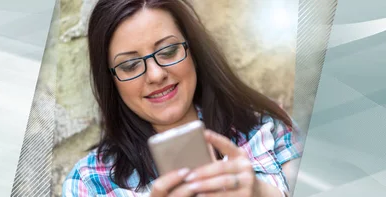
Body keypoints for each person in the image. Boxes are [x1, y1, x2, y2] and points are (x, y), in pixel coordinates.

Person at [62, 0, 304, 196]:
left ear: (193, 50)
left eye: (168, 51)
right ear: (111, 80)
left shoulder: (267, 127)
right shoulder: (88, 181)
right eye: (130, 65)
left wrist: (260, 193)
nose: (156, 75)